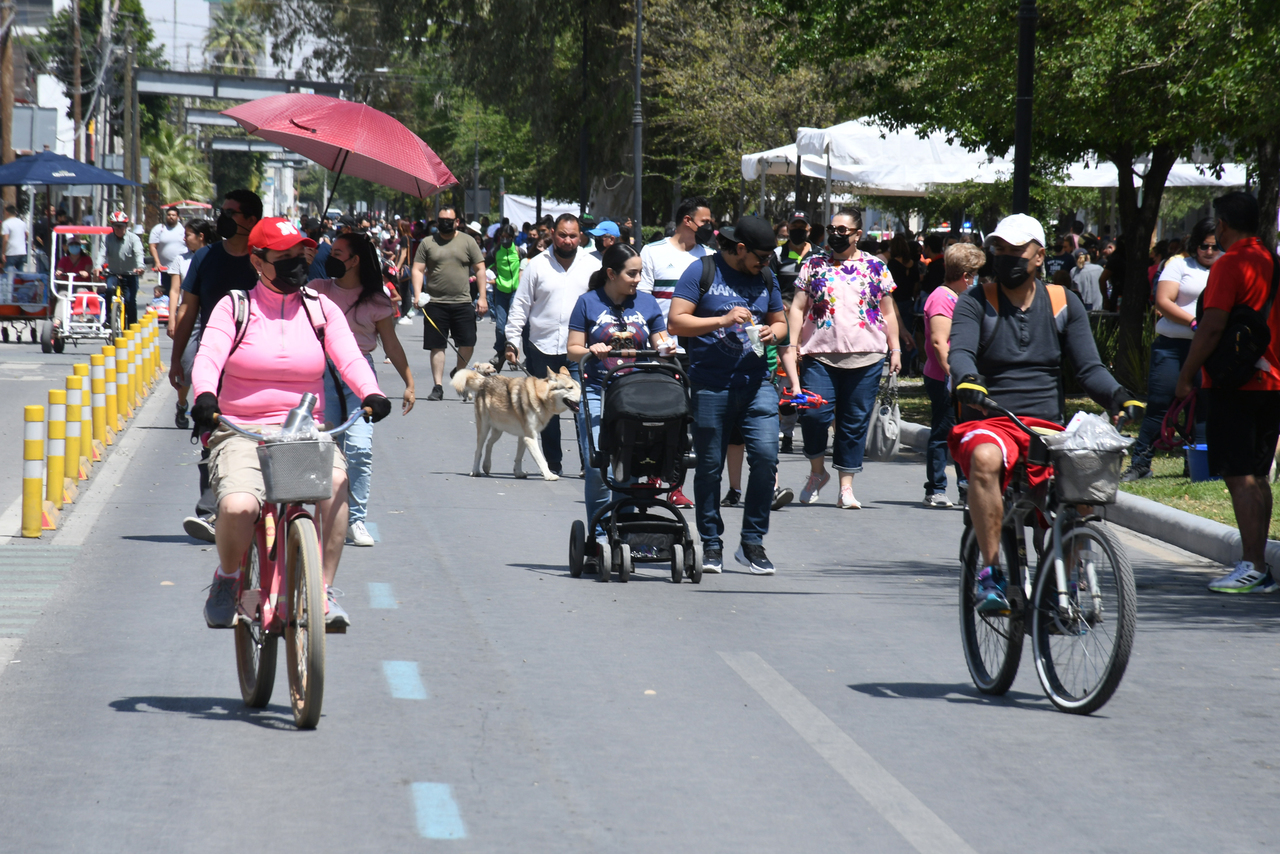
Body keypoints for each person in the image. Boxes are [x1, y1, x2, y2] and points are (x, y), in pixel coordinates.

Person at [189, 217, 392, 630]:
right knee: (238, 505)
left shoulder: (320, 310)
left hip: (303, 430)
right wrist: (205, 396)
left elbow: (349, 357)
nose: (299, 263)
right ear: (258, 260)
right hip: (242, 428)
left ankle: (324, 591)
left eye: (302, 255)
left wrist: (372, 393)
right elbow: (208, 356)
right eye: (285, 257)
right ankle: (227, 579)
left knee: (336, 484)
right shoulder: (234, 306)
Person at [949, 214, 1141, 613]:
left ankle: (1062, 588)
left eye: (1016, 250)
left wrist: (1120, 396)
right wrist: (968, 378)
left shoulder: (1062, 301)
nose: (1005, 258)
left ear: (1039, 256)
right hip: (994, 419)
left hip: (1048, 426)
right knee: (985, 457)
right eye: (999, 250)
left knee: (1085, 477)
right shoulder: (975, 301)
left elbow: (1089, 369)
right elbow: (961, 352)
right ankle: (991, 574)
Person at [667, 215, 787, 575]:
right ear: (740, 249)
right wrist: (721, 320)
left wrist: (773, 333)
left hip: (757, 385)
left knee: (766, 459)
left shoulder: (766, 276)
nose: (766, 264)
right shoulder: (701, 271)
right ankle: (712, 542)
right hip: (711, 385)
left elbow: (781, 321)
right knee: (709, 467)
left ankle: (752, 542)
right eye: (761, 257)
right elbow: (676, 322)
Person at [1175, 192, 1280, 593]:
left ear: (1222, 225)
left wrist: (1187, 374)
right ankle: (1260, 565)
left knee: (1240, 478)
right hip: (1272, 382)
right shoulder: (1272, 261)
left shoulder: (1230, 264)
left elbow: (1214, 324)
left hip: (1234, 383)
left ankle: (1252, 563)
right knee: (1258, 475)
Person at [787, 209, 901, 510]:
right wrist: (794, 342)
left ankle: (846, 488)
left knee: (853, 423)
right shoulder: (813, 264)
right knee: (813, 416)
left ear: (857, 234)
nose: (836, 234)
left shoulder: (876, 266)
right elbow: (798, 307)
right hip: (819, 354)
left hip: (867, 356)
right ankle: (817, 472)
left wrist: (896, 349)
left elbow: (888, 312)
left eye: (843, 230)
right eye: (831, 228)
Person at [169, 190, 263, 543]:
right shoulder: (205, 257)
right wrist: (178, 359)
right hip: (215, 361)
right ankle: (210, 512)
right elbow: (188, 310)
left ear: (251, 220)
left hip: (259, 365)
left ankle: (257, 506)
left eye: (232, 213)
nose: (223, 218)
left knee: (259, 438)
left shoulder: (265, 258)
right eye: (222, 211)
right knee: (212, 434)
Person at [311, 231, 415, 547]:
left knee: (358, 449)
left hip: (359, 377)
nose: (330, 256)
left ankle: (355, 520)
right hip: (320, 375)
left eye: (338, 253)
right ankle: (319, 519)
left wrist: (410, 382)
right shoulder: (315, 291)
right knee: (322, 448)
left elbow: (392, 345)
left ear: (355, 261)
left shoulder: (376, 301)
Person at [567, 243, 673, 542]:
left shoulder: (648, 304)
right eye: (632, 274)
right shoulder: (587, 303)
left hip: (637, 393)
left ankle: (625, 529)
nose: (638, 279)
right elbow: (573, 350)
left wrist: (667, 347)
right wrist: (590, 349)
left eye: (640, 273)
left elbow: (661, 340)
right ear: (611, 273)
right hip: (597, 391)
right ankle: (599, 535)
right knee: (599, 463)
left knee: (631, 461)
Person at [1122, 217, 1219, 482]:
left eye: (1213, 246)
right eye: (1203, 246)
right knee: (1160, 405)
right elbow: (1163, 302)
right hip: (1172, 347)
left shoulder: (1225, 266)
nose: (1208, 251)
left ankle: (1197, 466)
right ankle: (1141, 463)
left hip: (1208, 348)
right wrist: (1193, 321)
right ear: (1194, 244)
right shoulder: (1179, 264)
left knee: (1204, 408)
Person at [504, 214, 600, 475]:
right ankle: (553, 465)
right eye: (562, 235)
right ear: (553, 235)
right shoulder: (537, 265)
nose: (567, 240)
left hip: (578, 349)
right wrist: (511, 341)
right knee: (546, 410)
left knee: (583, 406)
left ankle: (588, 464)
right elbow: (520, 305)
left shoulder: (592, 266)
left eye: (572, 235)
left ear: (580, 237)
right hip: (541, 347)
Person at [921, 242, 985, 507]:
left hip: (960, 379)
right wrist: (955, 377)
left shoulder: (960, 298)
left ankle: (964, 488)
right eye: (975, 274)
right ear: (966, 275)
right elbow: (940, 343)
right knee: (943, 433)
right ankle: (935, 489)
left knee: (963, 433)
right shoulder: (941, 298)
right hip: (944, 379)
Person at [411, 206, 486, 401]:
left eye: (449, 220)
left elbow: (480, 269)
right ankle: (438, 386)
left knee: (468, 343)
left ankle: (459, 373)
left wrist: (483, 297)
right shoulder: (427, 243)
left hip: (462, 302)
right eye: (441, 220)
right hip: (435, 303)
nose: (445, 223)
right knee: (437, 346)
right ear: (437, 221)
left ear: (457, 222)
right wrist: (418, 294)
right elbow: (418, 270)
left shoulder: (468, 241)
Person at [640, 196, 714, 325]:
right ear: (687, 220)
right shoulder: (652, 252)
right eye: (704, 222)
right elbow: (643, 299)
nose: (709, 227)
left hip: (697, 341)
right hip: (661, 341)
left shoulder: (711, 256)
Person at [97, 211, 146, 329]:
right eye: (115, 226)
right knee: (108, 290)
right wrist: (98, 265)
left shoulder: (134, 238)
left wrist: (140, 267)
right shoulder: (108, 238)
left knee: (130, 300)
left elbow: (139, 253)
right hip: (113, 273)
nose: (118, 229)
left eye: (121, 226)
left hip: (130, 274)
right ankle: (109, 319)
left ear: (126, 226)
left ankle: (132, 326)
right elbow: (102, 254)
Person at [148, 207, 187, 275]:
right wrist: (157, 263)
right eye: (169, 215)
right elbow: (152, 247)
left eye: (173, 215)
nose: (170, 217)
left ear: (178, 217)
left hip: (181, 268)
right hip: (164, 269)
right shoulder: (159, 229)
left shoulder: (184, 230)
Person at [3, 205, 28, 270]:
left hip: (11, 252)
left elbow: (6, 239)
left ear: (7, 213)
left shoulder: (6, 223)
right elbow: (27, 235)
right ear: (15, 213)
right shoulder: (22, 223)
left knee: (8, 273)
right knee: (20, 273)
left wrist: (3, 253)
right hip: (22, 251)